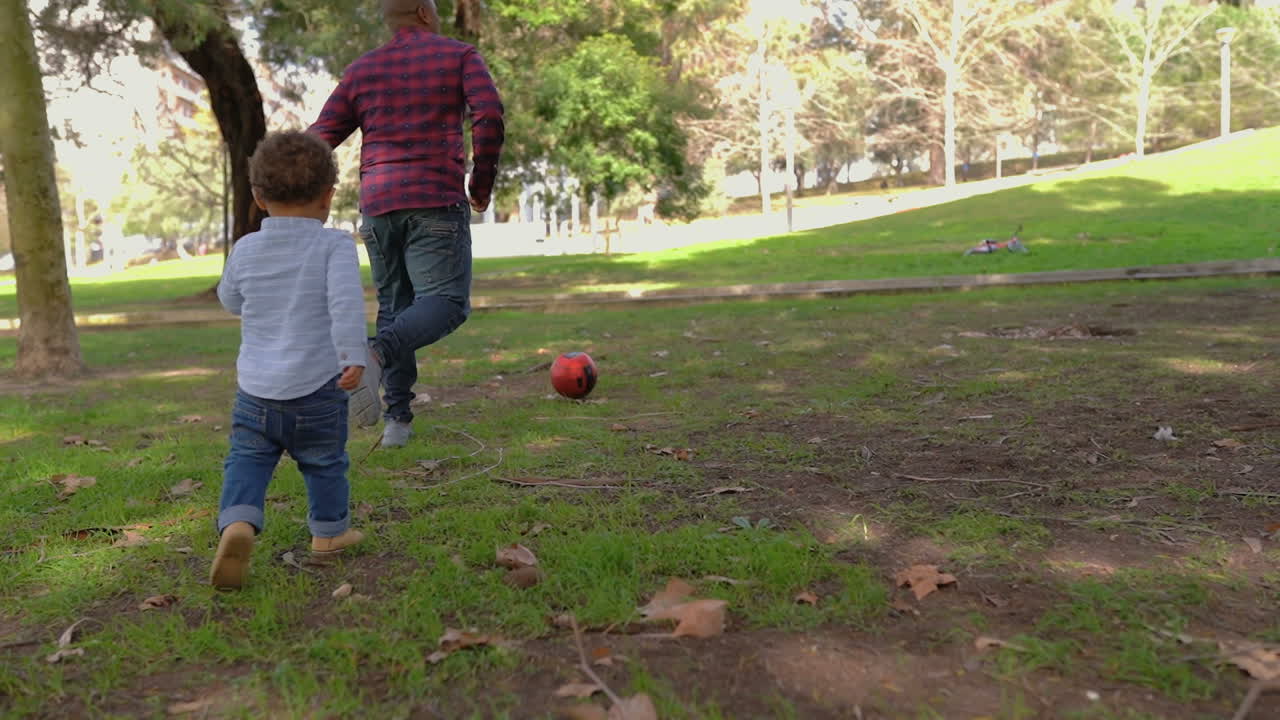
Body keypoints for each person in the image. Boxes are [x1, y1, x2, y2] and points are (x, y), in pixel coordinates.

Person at [309, 0, 505, 448]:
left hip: (378, 205)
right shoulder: (459, 56)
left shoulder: (362, 70)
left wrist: (274, 183)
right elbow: (489, 114)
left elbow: (320, 137)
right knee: (448, 303)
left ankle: (397, 421)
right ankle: (373, 353)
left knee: (396, 309)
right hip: (435, 198)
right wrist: (481, 181)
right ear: (422, 10)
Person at [211, 131, 369, 590]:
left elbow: (230, 300)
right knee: (325, 462)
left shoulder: (245, 249)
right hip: (317, 386)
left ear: (259, 198)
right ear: (328, 196)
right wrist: (352, 357)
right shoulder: (334, 246)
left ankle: (238, 522)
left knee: (246, 458)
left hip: (255, 391)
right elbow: (345, 304)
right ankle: (329, 534)